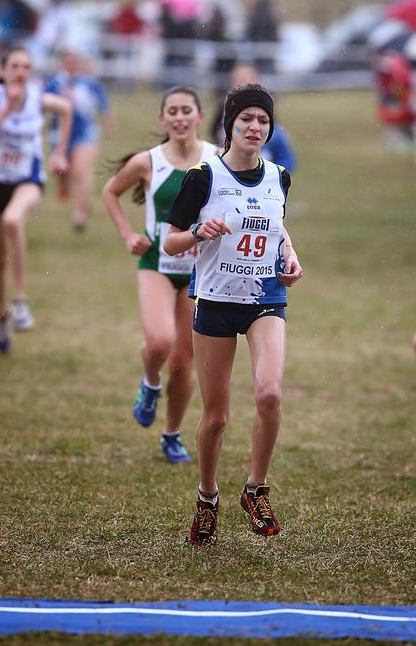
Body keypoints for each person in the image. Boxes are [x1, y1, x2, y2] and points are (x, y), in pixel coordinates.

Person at [164, 83, 303, 544]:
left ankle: (256, 488)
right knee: (217, 417)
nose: (256, 127)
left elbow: (275, 220)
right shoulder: (203, 178)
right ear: (231, 125)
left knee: (269, 394)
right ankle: (207, 498)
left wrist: (290, 253)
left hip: (266, 299)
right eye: (247, 119)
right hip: (217, 303)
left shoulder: (278, 176)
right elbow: (171, 240)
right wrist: (199, 232)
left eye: (263, 120)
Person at [102, 86, 216, 464]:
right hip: (156, 264)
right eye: (173, 111)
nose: (180, 117)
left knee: (184, 362)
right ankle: (150, 381)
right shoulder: (147, 162)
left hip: (199, 271)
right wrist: (127, 234)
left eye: (187, 110)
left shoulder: (217, 159)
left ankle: (171, 435)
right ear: (163, 119)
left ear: (199, 117)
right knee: (159, 342)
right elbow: (110, 192)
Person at [0, 47, 72, 354]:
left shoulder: (38, 99)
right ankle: (1, 315)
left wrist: (58, 153)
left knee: (13, 220)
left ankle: (20, 302)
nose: (21, 72)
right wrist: (5, 111)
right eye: (15, 66)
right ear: (3, 71)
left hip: (28, 180)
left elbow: (66, 109)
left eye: (27, 67)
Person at [44, 50, 113, 230]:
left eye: (76, 61)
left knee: (80, 170)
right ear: (63, 63)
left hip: (86, 132)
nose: (73, 65)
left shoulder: (90, 84)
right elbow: (42, 105)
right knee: (61, 171)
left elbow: (103, 105)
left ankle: (80, 213)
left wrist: (107, 123)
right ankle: (65, 186)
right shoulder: (55, 83)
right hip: (59, 134)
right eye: (69, 61)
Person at [210, 63, 297, 173]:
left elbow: (288, 161)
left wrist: (270, 173)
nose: (246, 83)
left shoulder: (276, 133)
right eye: (246, 119)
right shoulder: (219, 121)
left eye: (263, 120)